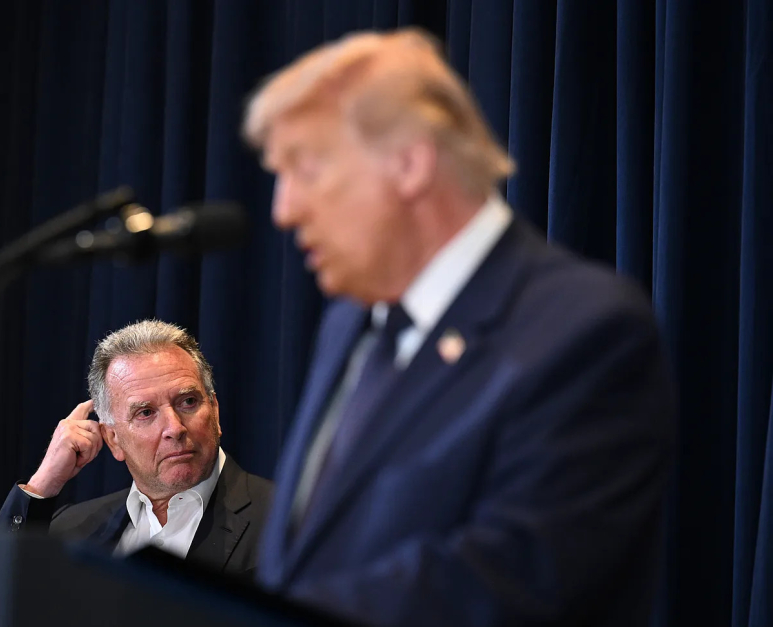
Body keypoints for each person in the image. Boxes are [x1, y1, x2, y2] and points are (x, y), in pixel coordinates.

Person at [242, 28, 676, 626]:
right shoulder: (349, 322)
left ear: (409, 164)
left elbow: (511, 578)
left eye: (306, 169)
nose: (284, 210)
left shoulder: (586, 330)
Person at [0, 319, 272, 578]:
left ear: (215, 411)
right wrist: (43, 484)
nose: (175, 428)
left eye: (188, 401)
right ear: (113, 439)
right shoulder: (71, 530)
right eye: (146, 412)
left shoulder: (281, 521)